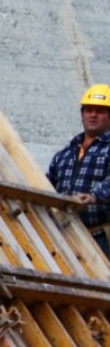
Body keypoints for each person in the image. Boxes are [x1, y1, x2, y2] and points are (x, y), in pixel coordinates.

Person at [47, 84, 110, 255]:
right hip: (65, 236)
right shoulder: (66, 153)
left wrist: (94, 196)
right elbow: (46, 184)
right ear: (82, 114)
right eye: (89, 110)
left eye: (100, 111)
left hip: (101, 238)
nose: (93, 115)